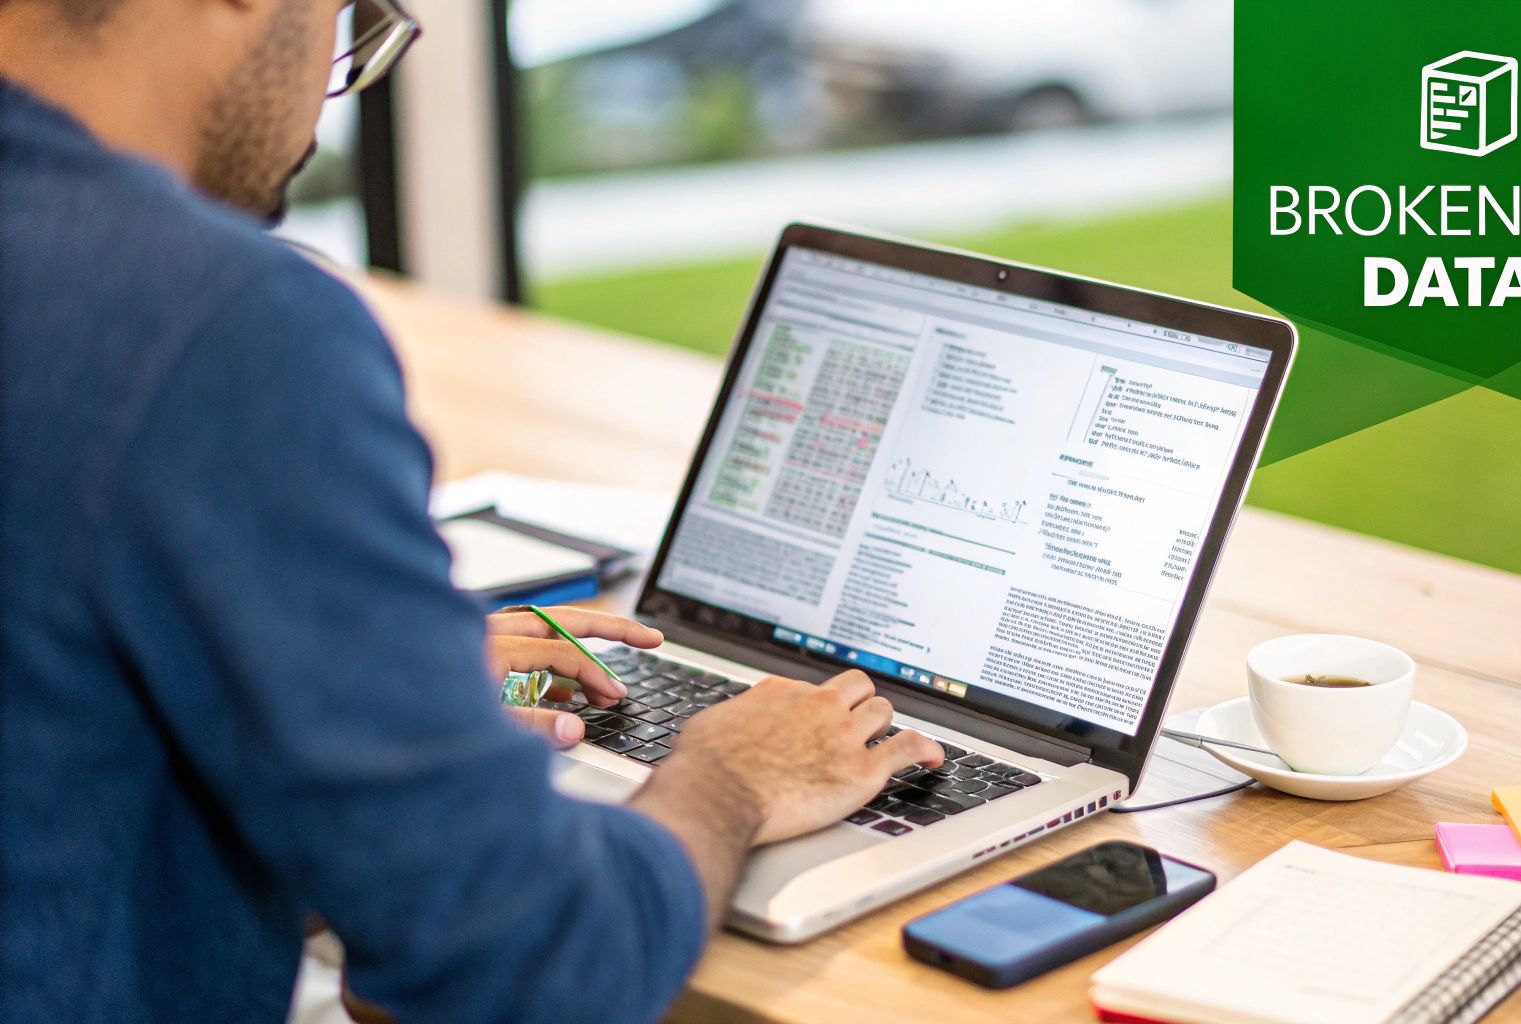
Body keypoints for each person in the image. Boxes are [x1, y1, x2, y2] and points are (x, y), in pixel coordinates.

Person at [0, 1, 945, 1021]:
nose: (333, 84)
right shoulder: (216, 322)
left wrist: (371, 675)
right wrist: (727, 774)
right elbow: (519, 967)